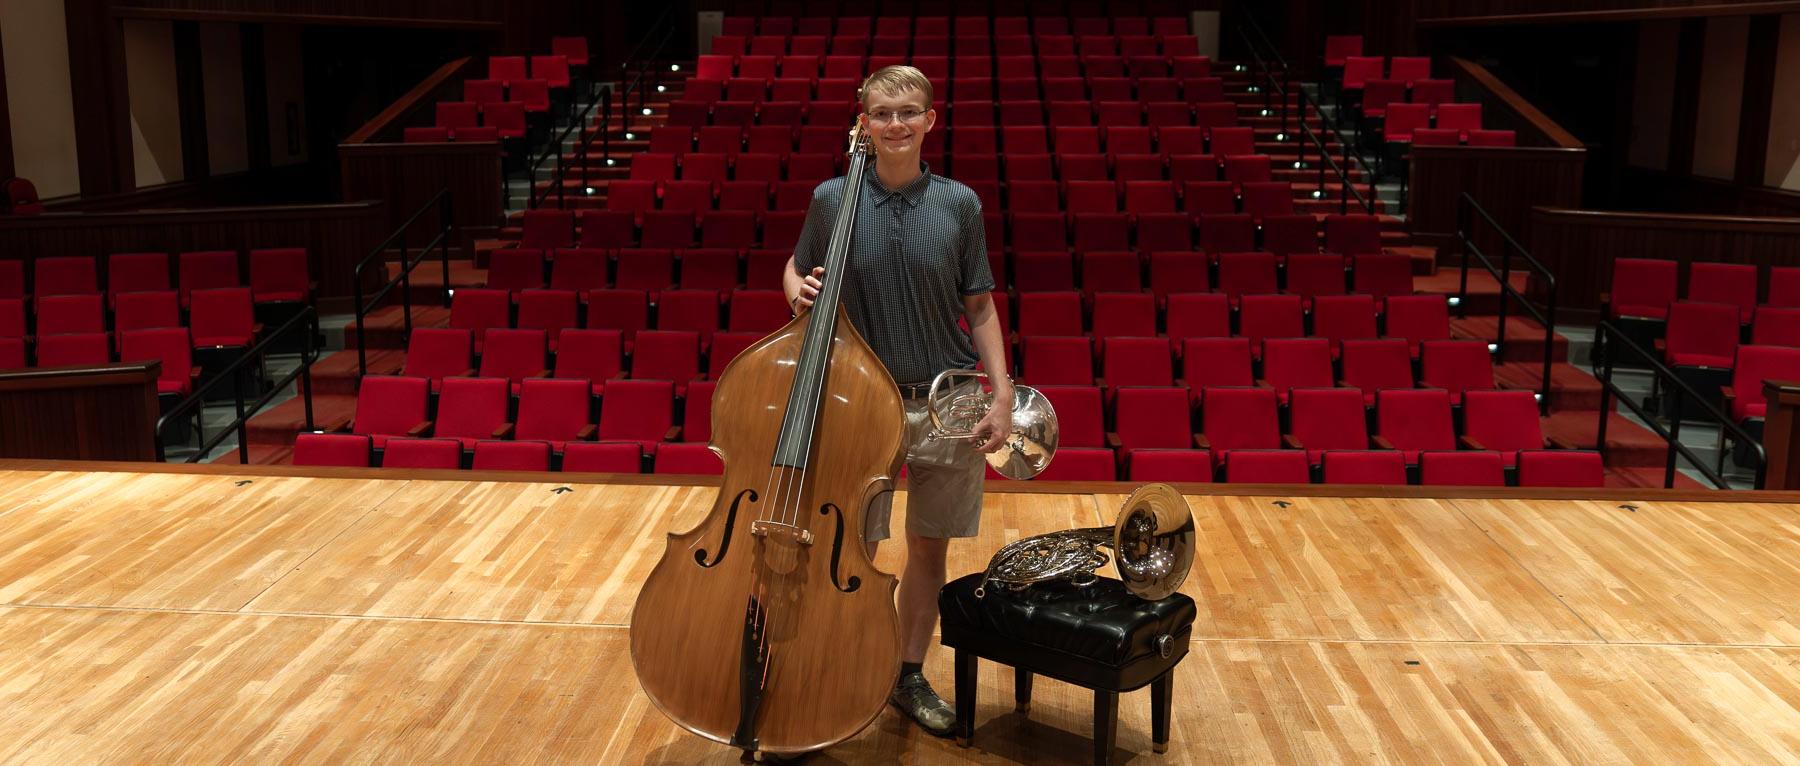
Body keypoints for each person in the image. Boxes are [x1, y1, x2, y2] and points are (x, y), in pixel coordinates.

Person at [783, 65, 1012, 738]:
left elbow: (980, 305)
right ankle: (843, 670)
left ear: (931, 119)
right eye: (882, 113)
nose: (896, 123)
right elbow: (796, 268)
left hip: (948, 400)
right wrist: (794, 288)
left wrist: (1000, 395)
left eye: (909, 111)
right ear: (864, 121)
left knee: (928, 549)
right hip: (860, 400)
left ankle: (909, 675)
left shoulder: (960, 203)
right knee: (853, 546)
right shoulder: (832, 198)